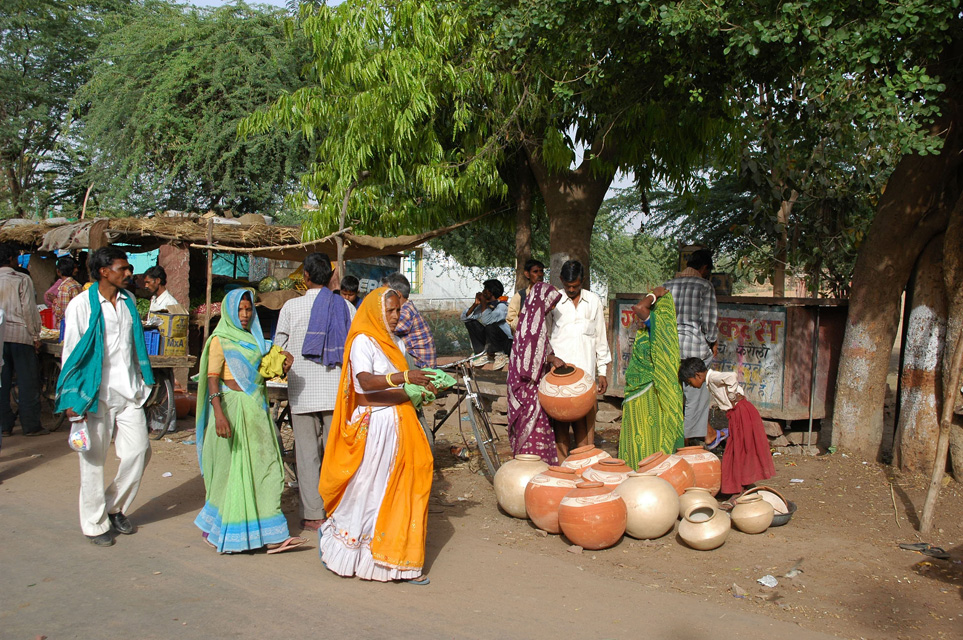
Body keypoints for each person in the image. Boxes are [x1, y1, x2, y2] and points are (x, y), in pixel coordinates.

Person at [319, 287, 435, 584]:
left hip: (401, 424)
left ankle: (396, 560)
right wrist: (404, 377)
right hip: (376, 427)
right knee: (370, 490)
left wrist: (420, 388)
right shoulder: (363, 341)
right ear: (375, 311)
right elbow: (366, 383)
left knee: (399, 490)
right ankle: (347, 542)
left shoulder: (396, 342)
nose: (396, 316)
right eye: (390, 311)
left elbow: (401, 386)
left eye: (398, 310)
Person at [194, 288, 305, 554]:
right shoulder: (220, 339)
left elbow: (272, 361)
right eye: (240, 310)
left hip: (256, 411)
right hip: (233, 410)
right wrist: (219, 414)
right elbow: (212, 379)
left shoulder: (255, 340)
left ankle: (272, 535)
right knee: (234, 473)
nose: (244, 315)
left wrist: (283, 359)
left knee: (266, 468)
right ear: (230, 311)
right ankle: (228, 532)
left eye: (248, 310)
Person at [57, 246, 155, 546]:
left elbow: (134, 346)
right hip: (94, 394)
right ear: (103, 271)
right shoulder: (81, 306)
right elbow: (72, 353)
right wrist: (73, 400)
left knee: (139, 452)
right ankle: (94, 524)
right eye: (123, 268)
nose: (129, 273)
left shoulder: (127, 302)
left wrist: (145, 382)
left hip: (127, 392)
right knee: (93, 462)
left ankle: (113, 507)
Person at [275, 253, 355, 532]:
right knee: (335, 453)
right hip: (336, 392)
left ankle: (313, 514)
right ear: (332, 276)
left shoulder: (290, 308)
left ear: (305, 277)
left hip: (302, 392)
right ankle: (337, 508)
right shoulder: (346, 308)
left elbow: (278, 351)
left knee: (307, 454)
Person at [679, 358, 774, 494]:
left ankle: (741, 488)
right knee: (739, 449)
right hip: (736, 414)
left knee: (739, 449)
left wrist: (731, 394)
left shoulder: (713, 378)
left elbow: (732, 376)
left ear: (698, 375)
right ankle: (744, 486)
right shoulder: (709, 382)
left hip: (741, 412)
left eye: (690, 382)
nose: (691, 386)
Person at [548, 260, 611, 461]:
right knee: (560, 428)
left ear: (583, 280)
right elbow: (546, 337)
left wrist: (602, 372)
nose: (572, 290)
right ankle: (562, 468)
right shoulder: (553, 301)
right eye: (568, 286)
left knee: (586, 428)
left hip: (586, 376)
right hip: (559, 378)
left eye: (576, 286)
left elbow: (600, 338)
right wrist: (550, 359)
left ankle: (585, 468)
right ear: (561, 281)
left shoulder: (593, 301)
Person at [617, 287, 685, 467]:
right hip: (638, 389)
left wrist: (653, 294)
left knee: (646, 434)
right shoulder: (655, 330)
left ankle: (648, 473)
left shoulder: (659, 325)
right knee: (642, 433)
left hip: (649, 388)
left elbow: (639, 308)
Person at [664, 249, 719, 447]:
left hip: (669, 350)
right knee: (696, 399)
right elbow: (709, 322)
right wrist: (713, 342)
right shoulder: (705, 286)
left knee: (676, 398)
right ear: (704, 268)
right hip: (696, 351)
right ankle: (689, 442)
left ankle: (704, 434)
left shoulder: (666, 286)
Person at [507, 282, 563, 464]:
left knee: (537, 427)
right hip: (527, 389)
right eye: (551, 302)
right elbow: (529, 361)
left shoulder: (532, 322)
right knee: (531, 428)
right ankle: (529, 472)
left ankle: (535, 470)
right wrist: (552, 359)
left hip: (531, 388)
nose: (552, 307)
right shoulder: (532, 325)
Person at [0, 243, 45, 438]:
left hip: (0, 339)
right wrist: (36, 335)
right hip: (20, 335)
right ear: (12, 259)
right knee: (28, 382)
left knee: (2, 384)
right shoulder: (21, 279)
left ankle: (4, 425)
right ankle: (31, 425)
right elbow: (29, 309)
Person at [386, 272, 436, 369]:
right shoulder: (406, 308)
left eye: (386, 293)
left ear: (398, 294)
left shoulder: (405, 312)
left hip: (420, 365)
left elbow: (385, 330)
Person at [461, 279, 512, 370]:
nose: (483, 292)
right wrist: (475, 304)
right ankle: (483, 354)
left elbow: (487, 321)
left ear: (490, 292)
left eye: (485, 290)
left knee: (490, 326)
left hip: (506, 343)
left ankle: (500, 355)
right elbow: (465, 318)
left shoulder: (502, 306)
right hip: (492, 341)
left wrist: (483, 302)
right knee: (471, 323)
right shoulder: (486, 306)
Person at [506, 259, 546, 331]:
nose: (540, 274)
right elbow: (512, 325)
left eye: (541, 271)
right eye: (535, 272)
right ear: (527, 274)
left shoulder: (553, 292)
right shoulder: (519, 297)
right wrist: (520, 316)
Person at [51, 256, 82, 328]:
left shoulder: (64, 288)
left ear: (58, 271)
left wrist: (54, 300)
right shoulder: (77, 284)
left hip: (67, 326)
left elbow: (63, 312)